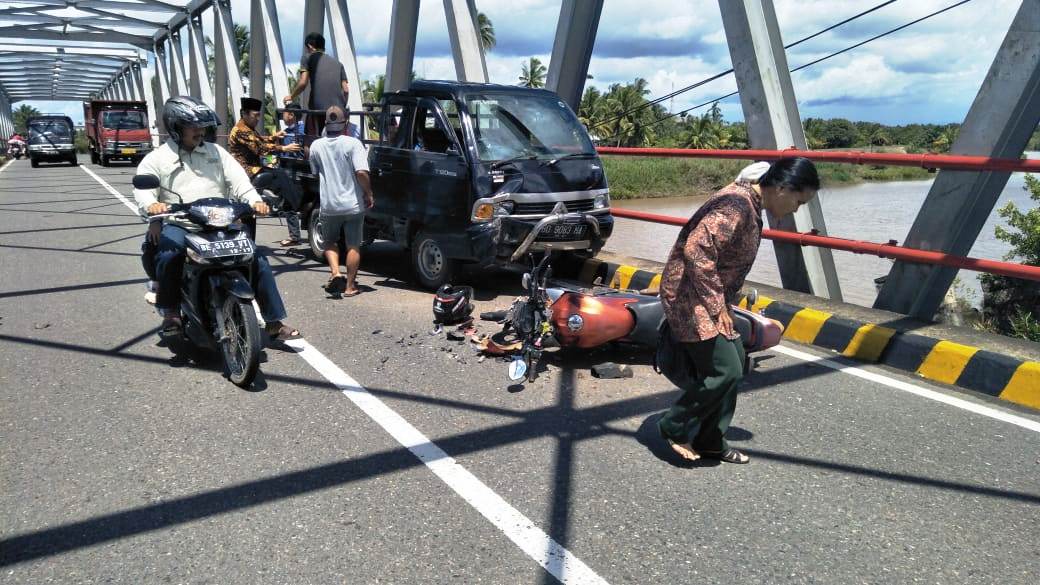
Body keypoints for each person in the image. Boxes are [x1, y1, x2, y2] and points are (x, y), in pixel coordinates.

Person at [656, 157, 820, 465]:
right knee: (725, 369)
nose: (797, 209)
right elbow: (696, 250)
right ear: (782, 188)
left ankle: (711, 441)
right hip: (688, 296)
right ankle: (673, 426)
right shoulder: (737, 206)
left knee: (736, 360)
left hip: (704, 295)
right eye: (799, 201)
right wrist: (718, 306)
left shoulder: (749, 201)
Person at [134, 96, 300, 341]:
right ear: (176, 127)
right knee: (171, 254)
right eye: (193, 126)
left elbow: (239, 181)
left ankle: (273, 321)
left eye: (202, 126)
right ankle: (171, 313)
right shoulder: (157, 159)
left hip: (220, 221)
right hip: (183, 223)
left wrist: (255, 201)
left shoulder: (216, 153)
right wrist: (152, 205)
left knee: (256, 258)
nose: (200, 131)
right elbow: (144, 189)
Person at [308, 105, 373, 298]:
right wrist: (369, 193)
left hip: (329, 205)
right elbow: (361, 172)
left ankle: (336, 273)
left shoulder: (316, 146)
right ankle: (350, 286)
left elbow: (314, 171)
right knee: (353, 245)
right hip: (353, 205)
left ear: (326, 124)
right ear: (345, 124)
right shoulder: (353, 144)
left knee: (329, 241)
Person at [227, 97, 304, 241]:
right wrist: (284, 148)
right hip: (247, 172)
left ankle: (290, 205)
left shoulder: (248, 128)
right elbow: (259, 148)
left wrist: (274, 136)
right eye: (255, 116)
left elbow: (259, 140)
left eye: (258, 116)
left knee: (253, 210)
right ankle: (295, 204)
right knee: (280, 177)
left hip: (253, 169)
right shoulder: (240, 130)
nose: (257, 119)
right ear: (244, 114)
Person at [283, 32, 350, 136]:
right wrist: (341, 108)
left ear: (310, 46)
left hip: (318, 111)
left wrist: (291, 96)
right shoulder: (338, 64)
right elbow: (346, 90)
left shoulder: (307, 58)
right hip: (338, 112)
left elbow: (303, 82)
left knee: (310, 140)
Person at [276, 103, 306, 246]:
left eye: (285, 112)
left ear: (291, 115)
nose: (283, 115)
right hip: (298, 170)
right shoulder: (296, 130)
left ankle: (294, 236)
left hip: (293, 170)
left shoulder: (295, 132)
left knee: (289, 203)